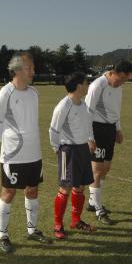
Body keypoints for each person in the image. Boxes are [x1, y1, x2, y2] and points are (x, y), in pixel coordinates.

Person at [0, 52, 51, 254]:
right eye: (29, 68)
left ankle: (32, 229)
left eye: (33, 68)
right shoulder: (5, 93)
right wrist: (9, 143)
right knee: (8, 192)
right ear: (17, 70)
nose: (33, 71)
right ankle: (3, 235)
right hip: (13, 156)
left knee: (32, 190)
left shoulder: (34, 93)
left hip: (34, 153)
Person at [85, 60, 132, 225]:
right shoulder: (97, 86)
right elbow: (87, 112)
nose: (121, 83)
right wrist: (90, 138)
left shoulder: (118, 87)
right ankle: (99, 210)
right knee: (97, 170)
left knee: (106, 168)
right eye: (120, 79)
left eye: (124, 81)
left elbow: (115, 110)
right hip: (96, 130)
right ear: (113, 72)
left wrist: (118, 129)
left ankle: (93, 203)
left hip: (110, 130)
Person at [49, 72, 97, 239]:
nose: (87, 85)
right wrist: (57, 148)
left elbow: (88, 124)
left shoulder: (83, 105)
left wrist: (90, 139)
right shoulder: (64, 106)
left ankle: (76, 220)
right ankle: (58, 225)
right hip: (68, 151)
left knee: (80, 187)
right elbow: (53, 130)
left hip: (83, 149)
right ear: (78, 86)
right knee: (65, 188)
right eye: (85, 83)